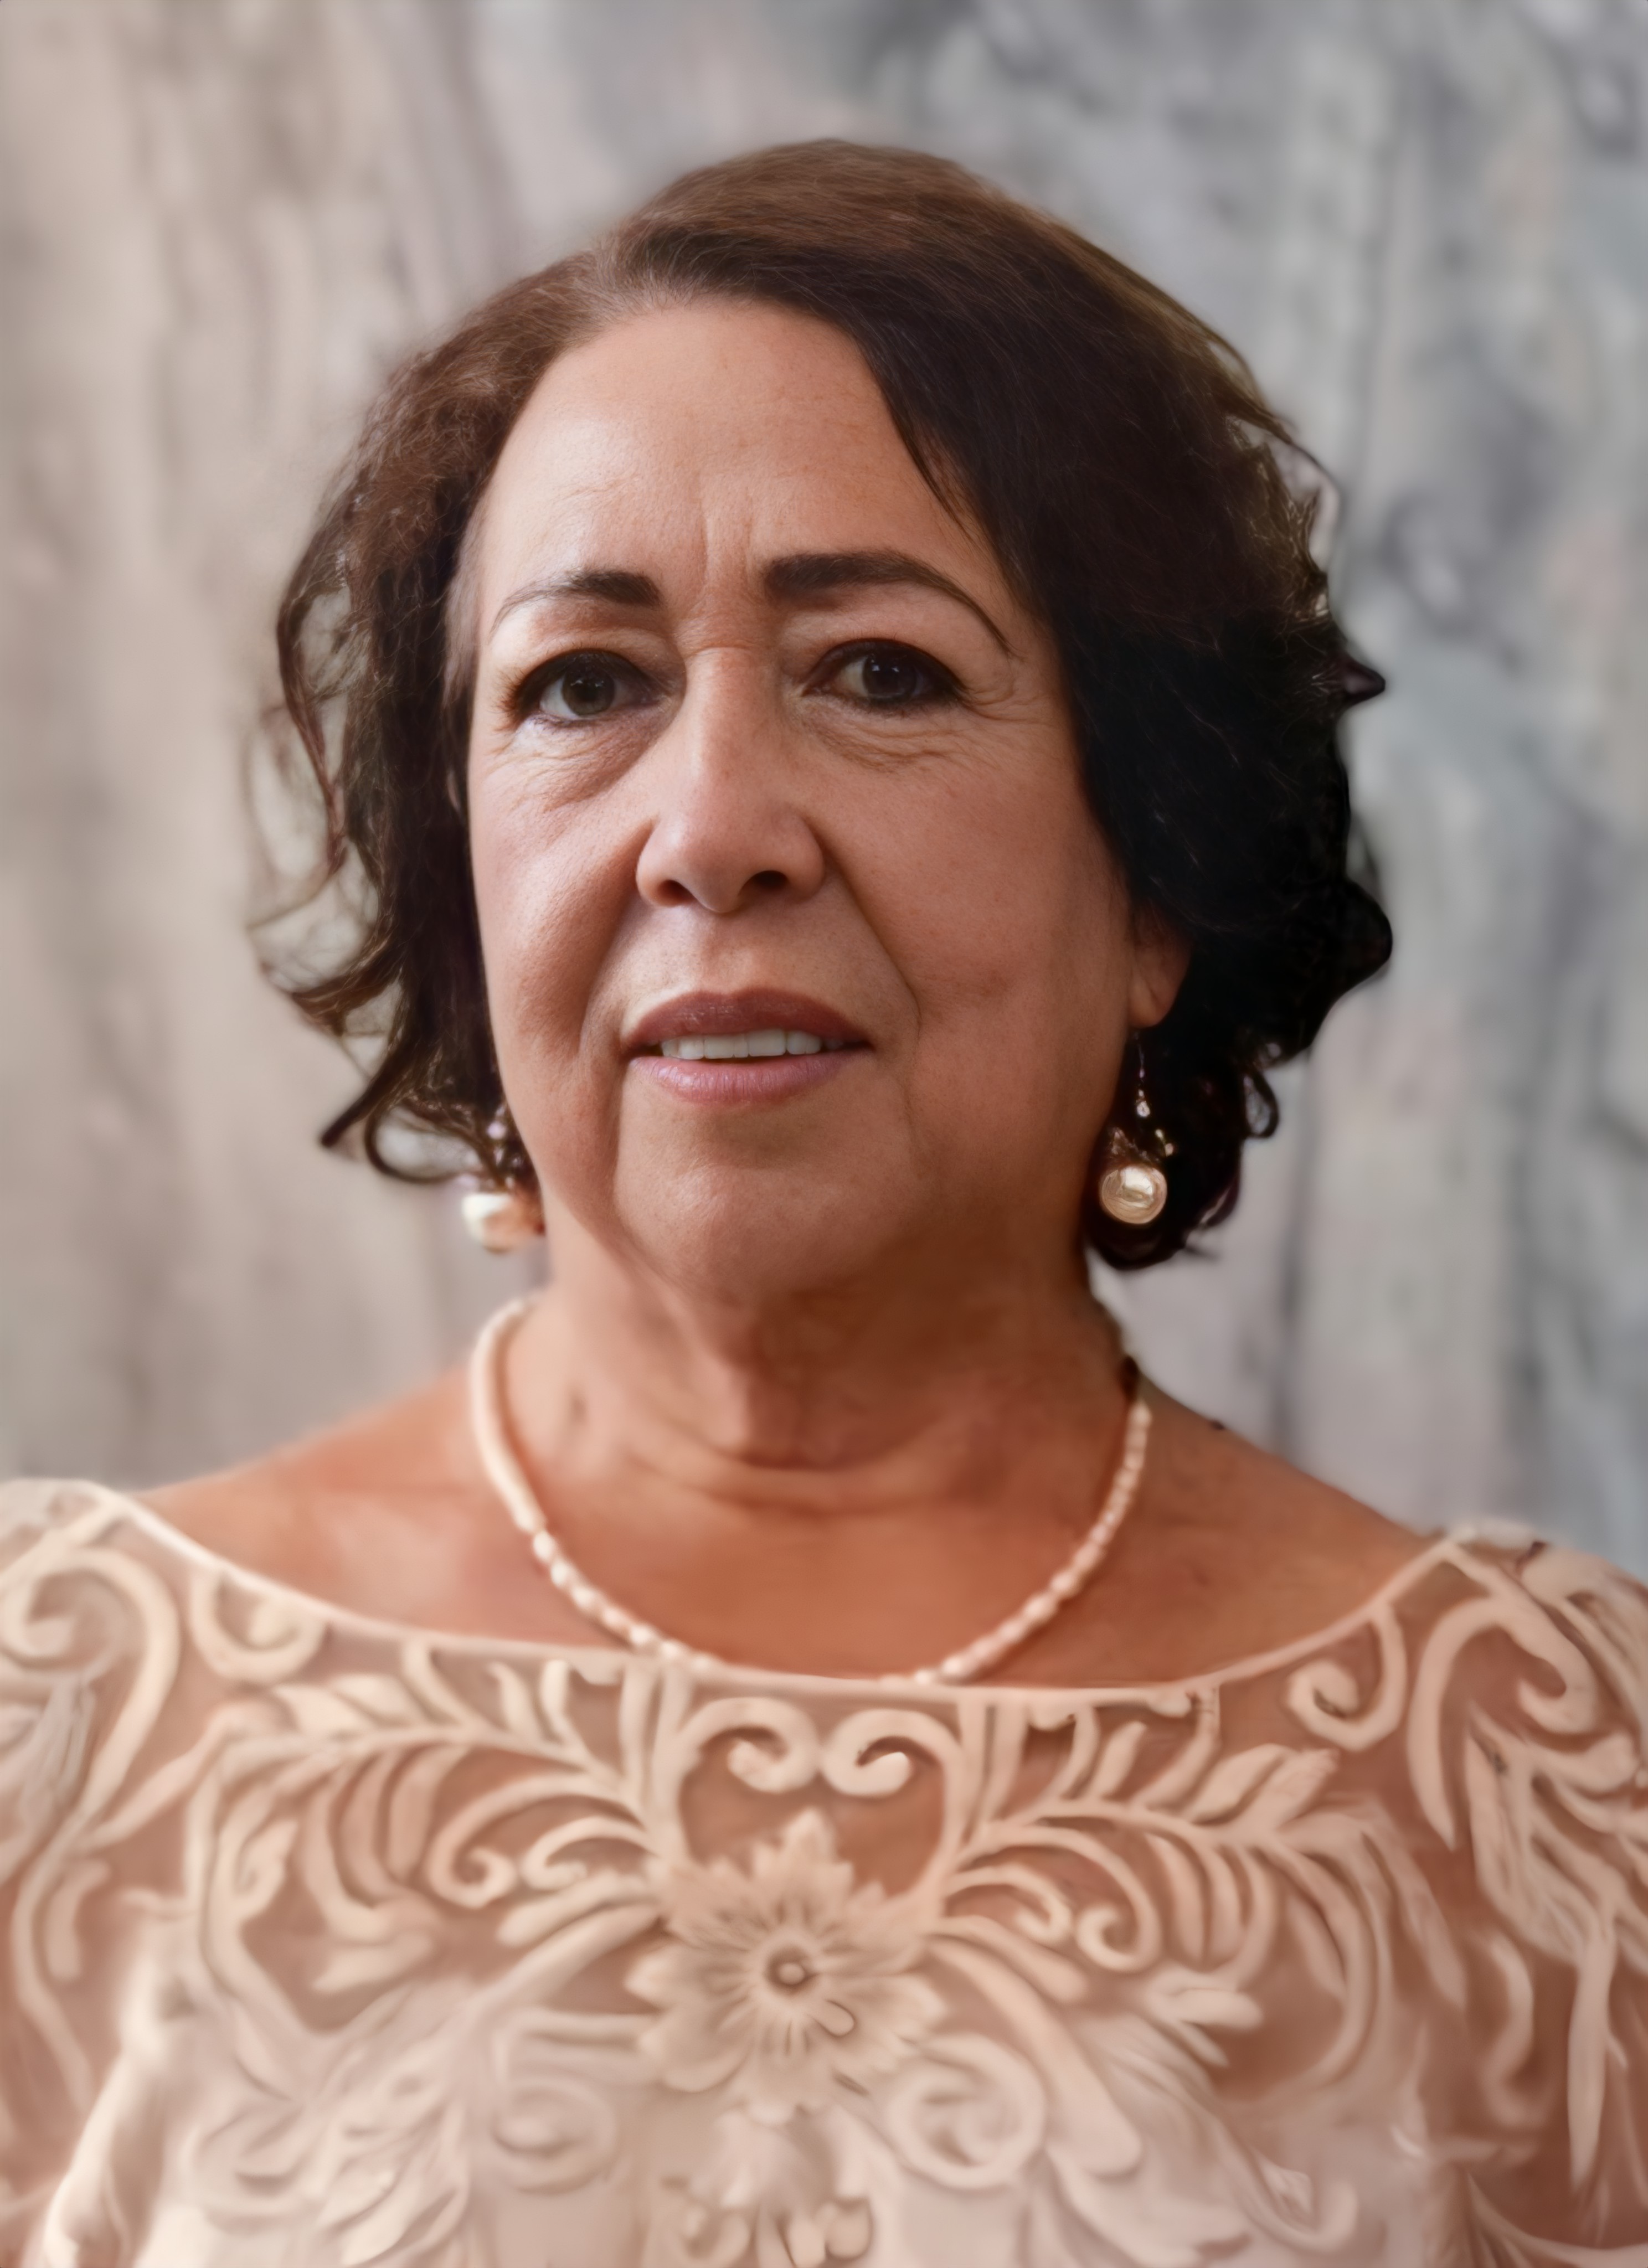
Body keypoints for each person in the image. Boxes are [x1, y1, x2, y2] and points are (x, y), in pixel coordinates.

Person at [2, 142, 1644, 2268]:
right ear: (464, 871)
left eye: (879, 672)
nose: (711, 829)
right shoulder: (57, 1719)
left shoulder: (1554, 1798)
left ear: (1158, 877)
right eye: (584, 685)